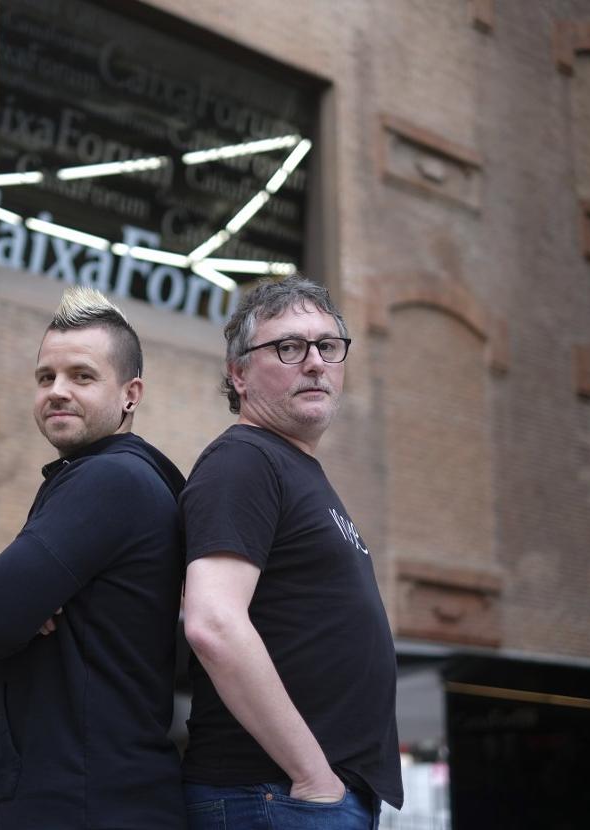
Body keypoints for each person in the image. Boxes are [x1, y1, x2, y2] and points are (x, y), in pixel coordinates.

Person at [0, 287, 187, 829]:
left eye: (82, 376)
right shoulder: (116, 480)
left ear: (130, 394)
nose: (57, 391)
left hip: (86, 801)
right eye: (45, 377)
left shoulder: (109, 480)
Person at [180, 276, 402, 829]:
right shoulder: (244, 460)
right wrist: (313, 777)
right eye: (288, 347)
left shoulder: (291, 467)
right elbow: (213, 622)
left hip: (297, 798)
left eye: (328, 346)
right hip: (275, 797)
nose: (315, 363)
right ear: (238, 373)